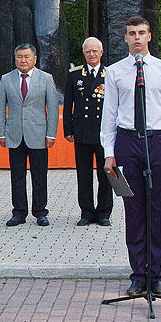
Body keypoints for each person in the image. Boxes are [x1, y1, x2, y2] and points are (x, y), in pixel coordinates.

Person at [102, 16, 161, 297]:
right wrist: (109, 153)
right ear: (124, 38)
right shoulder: (114, 72)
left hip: (157, 141)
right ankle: (138, 275)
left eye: (141, 33)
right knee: (134, 211)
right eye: (131, 33)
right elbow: (110, 115)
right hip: (128, 141)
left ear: (150, 36)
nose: (136, 38)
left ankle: (156, 275)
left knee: (157, 209)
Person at [0, 43, 59, 227]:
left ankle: (40, 212)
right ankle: (19, 212)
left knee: (39, 175)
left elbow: (53, 108)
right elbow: (0, 108)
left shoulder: (46, 78)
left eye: (26, 57)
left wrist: (51, 134)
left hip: (38, 134)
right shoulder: (6, 79)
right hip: (14, 134)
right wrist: (1, 133)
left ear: (35, 59)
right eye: (19, 57)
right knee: (17, 176)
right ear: (15, 59)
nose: (23, 60)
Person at [62, 37, 112, 226]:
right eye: (88, 51)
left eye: (95, 51)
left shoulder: (110, 74)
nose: (91, 54)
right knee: (83, 174)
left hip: (103, 133)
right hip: (81, 132)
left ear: (101, 52)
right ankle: (86, 212)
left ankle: (104, 212)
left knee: (105, 173)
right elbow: (68, 105)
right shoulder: (75, 75)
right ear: (84, 53)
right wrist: (68, 129)